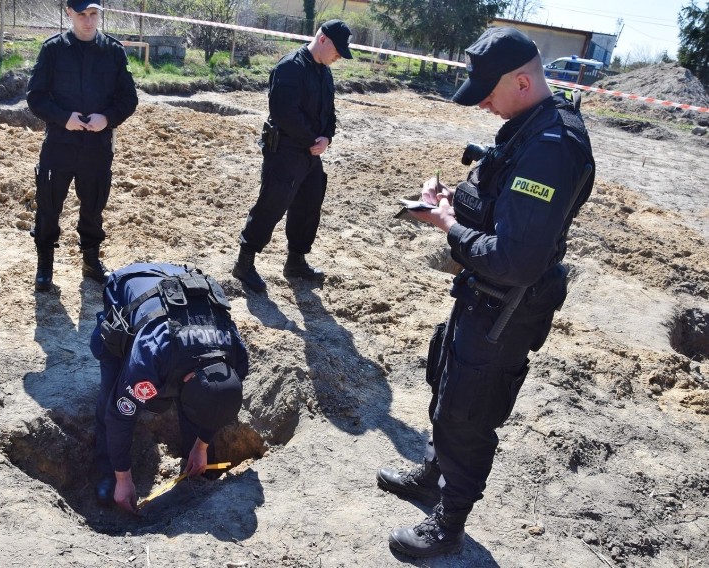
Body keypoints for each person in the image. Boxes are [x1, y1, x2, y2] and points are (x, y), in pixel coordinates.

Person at [377, 27, 595, 558]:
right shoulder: (529, 126)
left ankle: (448, 521)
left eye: (490, 94)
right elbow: (507, 211)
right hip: (482, 296)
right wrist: (456, 203)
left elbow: (517, 259)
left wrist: (447, 226)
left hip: (505, 307)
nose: (486, 106)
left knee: (470, 414)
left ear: (522, 81)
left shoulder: (551, 148)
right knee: (448, 385)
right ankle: (434, 471)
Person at [90, 263, 249, 514]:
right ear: (186, 380)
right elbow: (120, 415)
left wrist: (202, 446)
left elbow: (216, 406)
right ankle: (107, 470)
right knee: (111, 392)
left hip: (179, 282)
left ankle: (193, 456)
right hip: (129, 285)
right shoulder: (150, 358)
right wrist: (123, 478)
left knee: (205, 401)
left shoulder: (236, 357)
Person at [232, 20, 353, 293]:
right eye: (337, 51)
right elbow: (284, 113)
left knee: (309, 205)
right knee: (271, 205)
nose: (338, 57)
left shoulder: (324, 72)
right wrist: (314, 139)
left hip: (311, 153)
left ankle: (296, 260)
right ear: (322, 40)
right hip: (285, 151)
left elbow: (329, 113)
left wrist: (328, 137)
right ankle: (245, 261)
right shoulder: (290, 67)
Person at [26, 1, 138, 292]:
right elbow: (35, 97)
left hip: (96, 146)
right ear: (69, 14)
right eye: (81, 15)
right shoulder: (53, 50)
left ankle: (90, 261)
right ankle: (45, 265)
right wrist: (65, 118)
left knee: (93, 206)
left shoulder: (113, 51)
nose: (88, 22)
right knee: (49, 206)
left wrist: (107, 118)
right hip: (60, 144)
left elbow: (129, 99)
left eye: (93, 15)